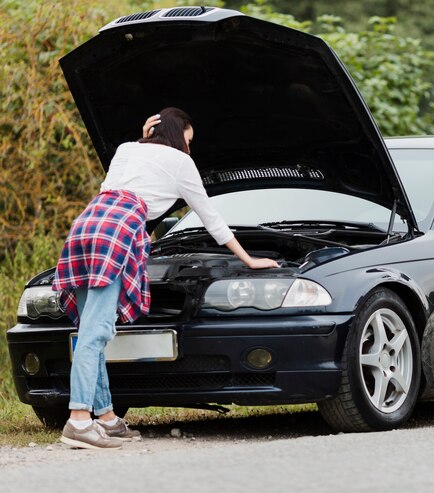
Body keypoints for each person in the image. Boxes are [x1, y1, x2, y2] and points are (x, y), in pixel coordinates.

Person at [53, 108, 279, 449]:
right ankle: (79, 420)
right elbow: (209, 215)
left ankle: (107, 419)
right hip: (117, 229)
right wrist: (247, 257)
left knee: (91, 328)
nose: (190, 148)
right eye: (188, 140)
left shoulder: (127, 149)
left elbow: (130, 177)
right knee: (96, 332)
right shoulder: (180, 162)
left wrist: (141, 134)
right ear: (178, 136)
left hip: (87, 223)